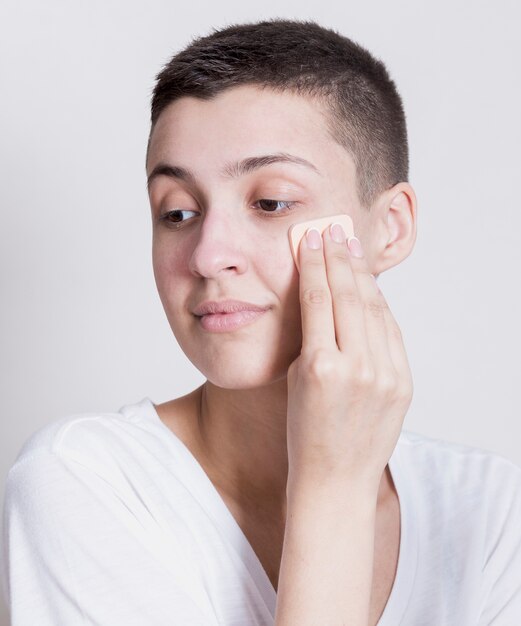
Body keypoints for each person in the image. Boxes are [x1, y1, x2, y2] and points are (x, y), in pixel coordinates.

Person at [2, 18, 520, 626]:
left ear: (390, 226)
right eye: (177, 212)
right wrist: (333, 490)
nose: (207, 254)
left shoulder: (489, 511)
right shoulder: (86, 485)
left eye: (271, 202)